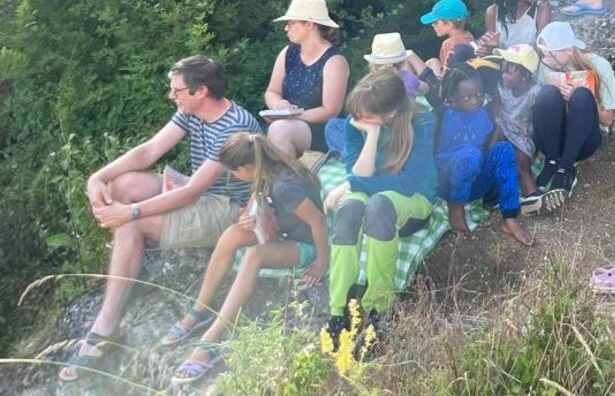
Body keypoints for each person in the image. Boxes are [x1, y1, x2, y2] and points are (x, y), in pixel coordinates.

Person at [59, 56, 261, 382]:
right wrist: (96, 178)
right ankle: (133, 252)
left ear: (201, 92)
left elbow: (192, 192)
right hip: (200, 192)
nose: (171, 95)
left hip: (227, 208)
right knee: (122, 184)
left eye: (177, 90)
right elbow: (149, 151)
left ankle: (105, 326)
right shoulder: (192, 111)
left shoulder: (233, 126)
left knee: (130, 224)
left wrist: (132, 213)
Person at [166, 133, 327, 385]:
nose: (233, 176)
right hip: (278, 229)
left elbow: (317, 220)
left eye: (234, 172)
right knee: (231, 234)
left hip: (304, 245)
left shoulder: (285, 187)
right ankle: (198, 310)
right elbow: (256, 200)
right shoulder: (265, 168)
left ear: (245, 168)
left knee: (254, 256)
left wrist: (321, 263)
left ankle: (210, 340)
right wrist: (246, 217)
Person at [323, 70, 437, 343]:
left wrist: (351, 185)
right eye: (357, 114)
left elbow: (407, 183)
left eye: (366, 116)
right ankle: (339, 311)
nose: (358, 119)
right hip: (373, 188)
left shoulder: (422, 121)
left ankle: (378, 309)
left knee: (378, 206)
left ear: (391, 113)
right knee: (349, 210)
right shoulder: (358, 123)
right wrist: (371, 135)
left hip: (414, 198)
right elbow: (358, 174)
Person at [434, 63, 534, 246]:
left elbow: (488, 149)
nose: (475, 100)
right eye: (467, 97)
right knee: (469, 154)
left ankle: (509, 216)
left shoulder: (483, 114)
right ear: (451, 99)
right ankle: (456, 209)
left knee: (503, 149)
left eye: (479, 95)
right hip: (447, 184)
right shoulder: (441, 117)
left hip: (474, 181)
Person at [533, 21, 615, 209]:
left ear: (568, 50)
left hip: (582, 141)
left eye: (551, 54)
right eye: (544, 54)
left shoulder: (599, 65)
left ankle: (565, 169)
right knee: (547, 93)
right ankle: (551, 162)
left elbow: (608, 119)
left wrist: (582, 97)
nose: (546, 59)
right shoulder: (546, 66)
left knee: (581, 96)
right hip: (553, 140)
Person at [263, 0, 349, 157]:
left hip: (324, 129)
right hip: (287, 121)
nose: (286, 28)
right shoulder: (288, 53)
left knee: (280, 130)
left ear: (309, 25)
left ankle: (288, 182)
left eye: (291, 23)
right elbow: (272, 91)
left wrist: (293, 116)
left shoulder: (335, 61)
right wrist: (278, 105)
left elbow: (330, 111)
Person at [493, 43, 543, 200]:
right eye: (502, 70)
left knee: (521, 165)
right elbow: (495, 110)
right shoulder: (501, 86)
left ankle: (532, 196)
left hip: (523, 136)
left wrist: (535, 149)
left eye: (508, 72)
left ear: (525, 75)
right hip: (502, 128)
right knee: (492, 154)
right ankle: (492, 191)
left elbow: (539, 125)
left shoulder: (535, 93)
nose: (503, 76)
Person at [417, 0, 475, 77]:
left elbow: (447, 74)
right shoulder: (468, 35)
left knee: (412, 56)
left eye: (436, 22)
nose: (432, 25)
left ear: (449, 24)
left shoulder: (448, 44)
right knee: (433, 61)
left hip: (448, 84)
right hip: (466, 78)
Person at [363, 32, 428, 98]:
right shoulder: (408, 77)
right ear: (402, 63)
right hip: (409, 107)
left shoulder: (370, 85)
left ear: (374, 65)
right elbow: (426, 88)